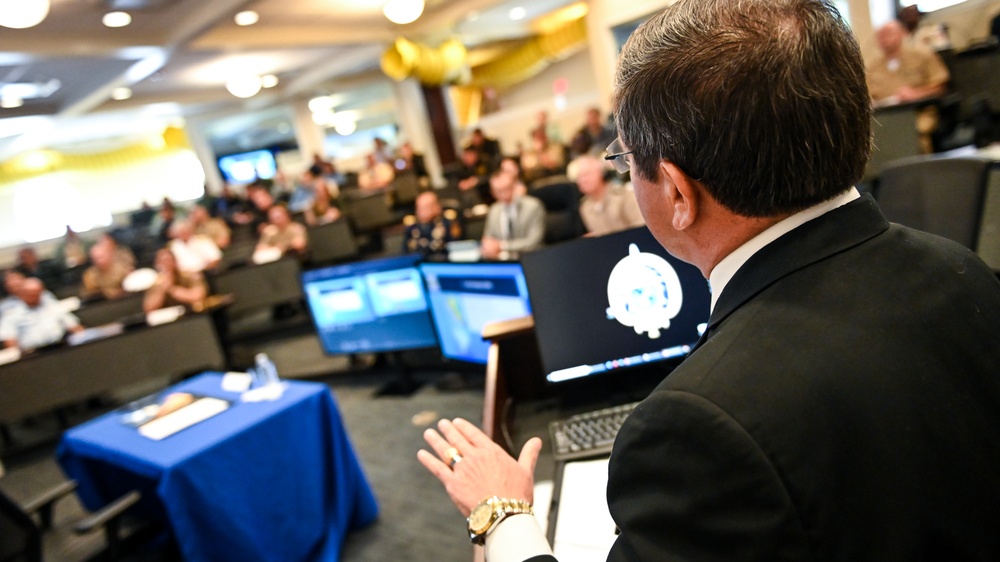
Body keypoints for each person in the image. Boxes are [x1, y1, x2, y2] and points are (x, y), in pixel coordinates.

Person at [418, 1, 1000, 561]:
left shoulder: (699, 425)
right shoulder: (967, 272)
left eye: (624, 159)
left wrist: (503, 514)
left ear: (676, 191)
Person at [867, 19, 949, 153]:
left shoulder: (922, 55)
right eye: (880, 35)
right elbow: (867, 96)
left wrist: (917, 94)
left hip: (918, 114)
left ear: (902, 33)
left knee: (911, 134)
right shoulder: (872, 66)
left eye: (888, 33)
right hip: (885, 117)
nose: (884, 38)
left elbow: (941, 86)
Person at [1, 277, 83, 351]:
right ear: (22, 295)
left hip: (61, 346)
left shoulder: (52, 306)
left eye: (38, 293)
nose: (36, 297)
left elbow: (74, 326)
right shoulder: (11, 315)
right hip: (32, 353)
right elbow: (10, 342)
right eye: (31, 294)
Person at [480, 170, 544, 261]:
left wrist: (502, 246)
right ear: (493, 193)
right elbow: (488, 239)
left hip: (530, 260)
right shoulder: (494, 210)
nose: (503, 194)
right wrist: (488, 247)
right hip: (501, 263)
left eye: (506, 188)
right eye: (498, 190)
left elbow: (534, 243)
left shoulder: (533, 206)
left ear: (513, 186)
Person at [575, 155, 644, 236]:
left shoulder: (623, 195)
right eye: (579, 177)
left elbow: (641, 227)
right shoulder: (585, 207)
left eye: (587, 174)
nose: (583, 180)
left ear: (601, 173)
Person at [143, 248, 209, 313]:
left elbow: (198, 296)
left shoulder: (190, 275)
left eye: (168, 260)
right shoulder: (155, 283)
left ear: (175, 260)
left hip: (192, 313)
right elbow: (149, 308)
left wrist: (171, 289)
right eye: (162, 262)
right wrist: (162, 289)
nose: (166, 264)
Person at [403, 191, 463, 258]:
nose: (420, 211)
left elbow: (456, 249)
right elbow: (405, 253)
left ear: (436, 207)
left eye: (425, 207)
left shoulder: (447, 225)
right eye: (418, 207)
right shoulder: (412, 229)